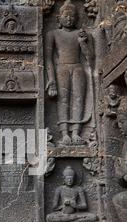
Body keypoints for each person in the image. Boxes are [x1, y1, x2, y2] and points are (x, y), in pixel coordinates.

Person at [45, 0, 93, 146]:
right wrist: (51, 80)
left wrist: (83, 43)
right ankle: (65, 133)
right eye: (66, 15)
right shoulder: (53, 34)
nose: (69, 18)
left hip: (78, 68)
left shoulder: (81, 33)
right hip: (61, 69)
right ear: (59, 18)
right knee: (63, 100)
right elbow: (47, 59)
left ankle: (76, 132)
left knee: (78, 99)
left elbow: (90, 57)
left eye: (72, 16)